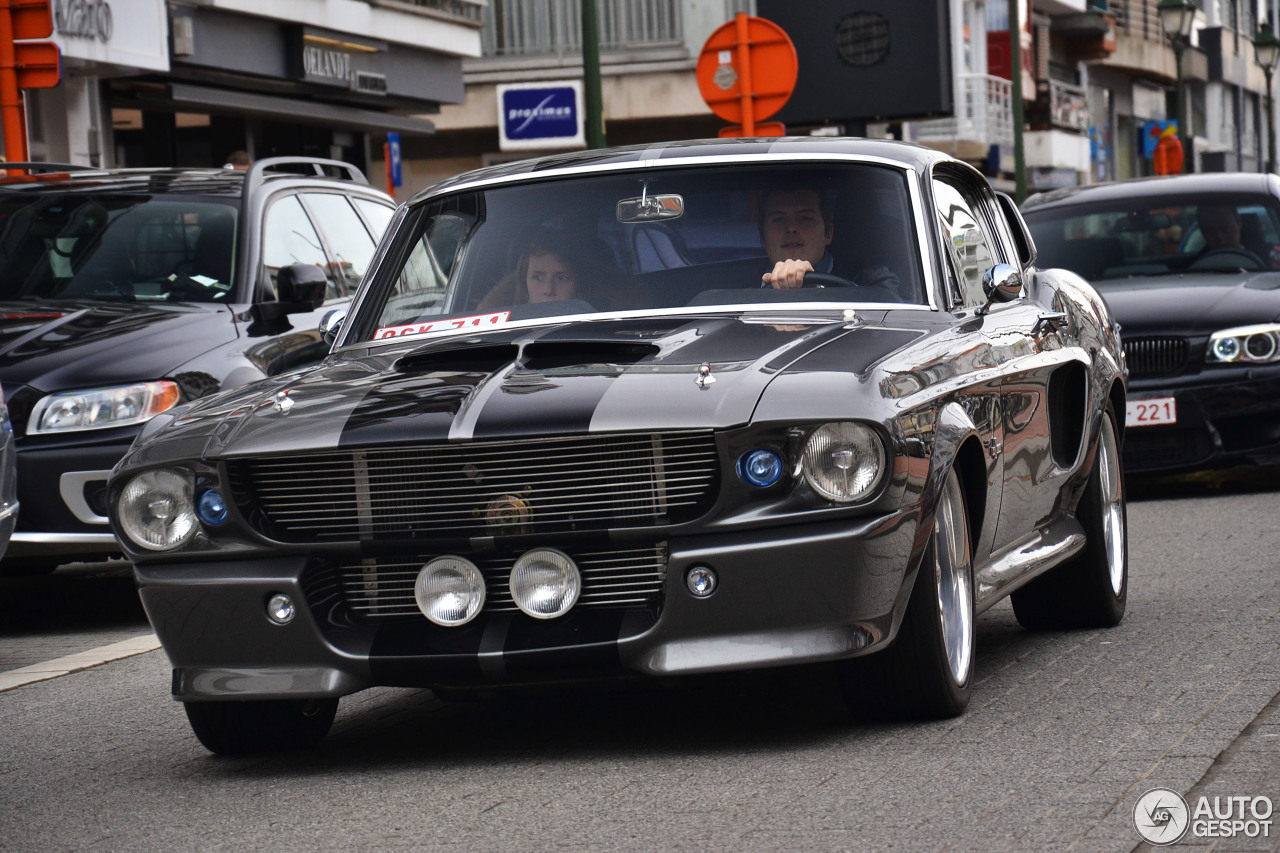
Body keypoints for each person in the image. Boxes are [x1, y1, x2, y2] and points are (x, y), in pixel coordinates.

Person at [758, 184, 902, 299]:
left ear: (828, 233)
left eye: (805, 218)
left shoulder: (870, 282)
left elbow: (893, 315)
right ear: (762, 237)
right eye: (778, 219)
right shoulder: (738, 285)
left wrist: (814, 292)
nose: (791, 228)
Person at [478, 228, 632, 312]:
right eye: (538, 277)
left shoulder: (604, 334)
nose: (549, 290)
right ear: (524, 284)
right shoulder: (497, 337)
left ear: (579, 285)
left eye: (561, 278)